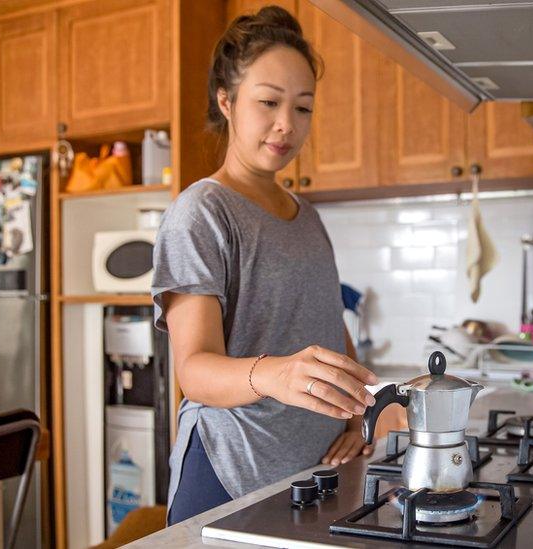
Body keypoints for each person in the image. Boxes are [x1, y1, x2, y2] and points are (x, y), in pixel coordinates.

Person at [151, 6, 380, 525]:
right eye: (269, 102)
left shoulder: (309, 218)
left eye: (303, 108)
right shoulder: (201, 213)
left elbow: (327, 325)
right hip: (231, 474)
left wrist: (358, 413)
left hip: (313, 475)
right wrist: (278, 374)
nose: (286, 125)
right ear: (227, 101)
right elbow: (195, 370)